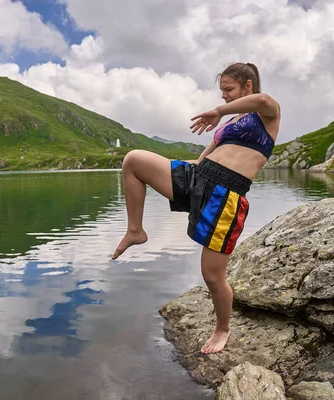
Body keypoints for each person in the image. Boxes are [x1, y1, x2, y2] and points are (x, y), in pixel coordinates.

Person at [111, 62, 281, 354]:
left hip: (227, 195)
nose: (224, 96)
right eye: (222, 92)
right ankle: (135, 230)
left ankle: (222, 329)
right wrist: (173, 169)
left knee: (213, 277)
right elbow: (204, 161)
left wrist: (218, 111)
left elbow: (264, 100)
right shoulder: (229, 123)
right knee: (134, 160)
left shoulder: (266, 115)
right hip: (199, 178)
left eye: (229, 90)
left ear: (248, 86)